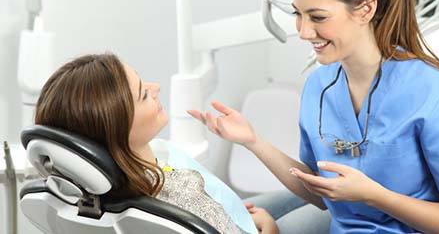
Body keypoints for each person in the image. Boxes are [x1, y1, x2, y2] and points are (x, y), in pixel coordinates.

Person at [188, 0, 439, 233]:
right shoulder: (320, 85)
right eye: (297, 14)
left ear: (365, 9)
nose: (303, 32)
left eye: (317, 17)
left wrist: (376, 196)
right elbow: (323, 193)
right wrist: (252, 141)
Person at [34, 53, 278, 234]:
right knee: (314, 208)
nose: (156, 88)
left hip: (225, 214)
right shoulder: (184, 199)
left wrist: (219, 209)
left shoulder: (95, 195)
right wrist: (269, 229)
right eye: (143, 94)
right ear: (120, 129)